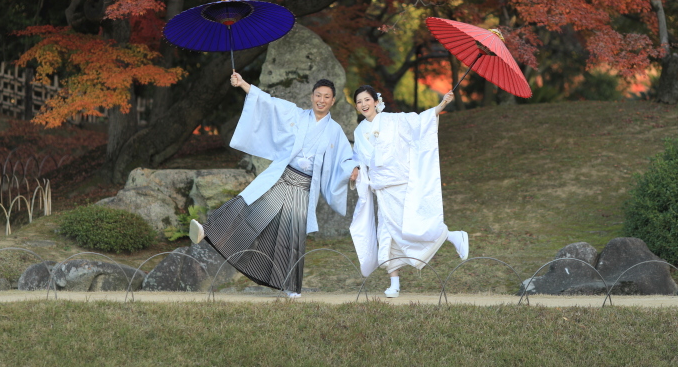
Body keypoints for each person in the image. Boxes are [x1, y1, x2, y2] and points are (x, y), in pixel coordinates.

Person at [190, 72, 355, 298]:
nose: (322, 100)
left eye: (327, 97)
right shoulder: (297, 115)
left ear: (333, 101)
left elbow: (346, 159)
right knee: (250, 206)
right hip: (282, 177)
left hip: (303, 187)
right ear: (312, 96)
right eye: (318, 95)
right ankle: (208, 230)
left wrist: (354, 170)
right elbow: (269, 103)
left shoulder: (335, 130)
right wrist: (243, 85)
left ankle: (289, 285)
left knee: (291, 236)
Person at [349, 85, 469, 298]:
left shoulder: (393, 121)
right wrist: (356, 170)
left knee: (413, 228)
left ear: (376, 101)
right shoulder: (359, 132)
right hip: (381, 190)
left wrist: (442, 104)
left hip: (400, 185)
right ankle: (394, 283)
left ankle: (452, 236)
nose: (363, 104)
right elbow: (358, 158)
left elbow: (420, 121)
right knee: (386, 237)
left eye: (367, 99)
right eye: (359, 102)